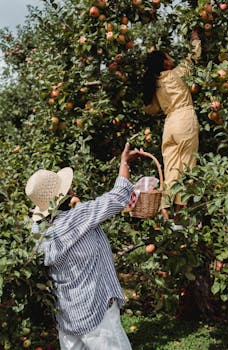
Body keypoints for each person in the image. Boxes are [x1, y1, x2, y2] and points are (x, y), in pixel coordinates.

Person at [25, 143, 142, 350]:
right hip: (96, 310)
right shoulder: (80, 218)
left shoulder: (38, 232)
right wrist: (124, 163)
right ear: (64, 194)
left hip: (67, 315)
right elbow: (117, 197)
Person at [143, 29, 201, 221]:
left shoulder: (155, 83)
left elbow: (151, 109)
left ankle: (166, 210)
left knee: (171, 170)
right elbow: (194, 56)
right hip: (184, 119)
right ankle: (181, 217)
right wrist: (195, 38)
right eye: (168, 56)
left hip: (169, 125)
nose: (171, 57)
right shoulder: (177, 74)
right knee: (186, 167)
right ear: (165, 62)